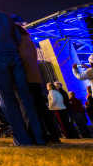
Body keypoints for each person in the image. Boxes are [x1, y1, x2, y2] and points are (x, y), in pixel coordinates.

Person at [0, 0, 45, 146]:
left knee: (7, 99)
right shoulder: (5, 16)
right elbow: (17, 38)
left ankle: (22, 139)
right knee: (25, 97)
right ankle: (38, 137)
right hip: (14, 56)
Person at [11, 15, 61, 143]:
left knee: (30, 108)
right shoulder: (27, 38)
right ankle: (53, 135)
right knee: (41, 107)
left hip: (26, 77)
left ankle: (36, 135)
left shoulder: (16, 38)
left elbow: (19, 57)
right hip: (36, 77)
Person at [72, 52, 93, 140]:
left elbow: (79, 76)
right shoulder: (91, 70)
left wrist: (74, 69)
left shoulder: (90, 71)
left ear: (90, 62)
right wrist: (88, 68)